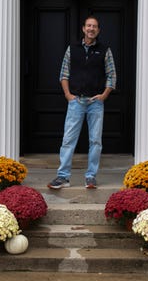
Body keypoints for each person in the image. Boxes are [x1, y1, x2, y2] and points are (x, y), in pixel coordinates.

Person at [48, 16, 116, 190]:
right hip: (76, 101)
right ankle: (63, 177)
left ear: (98, 30)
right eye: (88, 26)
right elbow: (64, 74)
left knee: (95, 141)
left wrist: (104, 95)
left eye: (94, 26)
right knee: (68, 140)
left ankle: (91, 177)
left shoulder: (104, 50)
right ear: (83, 29)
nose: (91, 29)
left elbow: (112, 75)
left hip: (95, 102)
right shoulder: (73, 49)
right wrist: (68, 95)